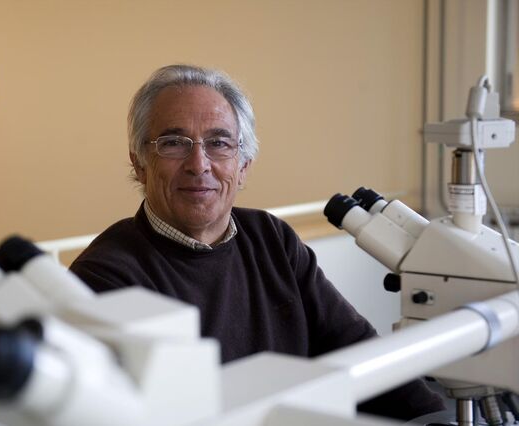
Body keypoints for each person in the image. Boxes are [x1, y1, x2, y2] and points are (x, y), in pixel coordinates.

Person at [70, 64, 444, 421]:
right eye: (173, 143)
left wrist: (434, 417)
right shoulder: (104, 277)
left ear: (243, 166)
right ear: (140, 163)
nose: (198, 164)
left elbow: (357, 348)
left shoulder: (271, 238)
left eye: (218, 143)